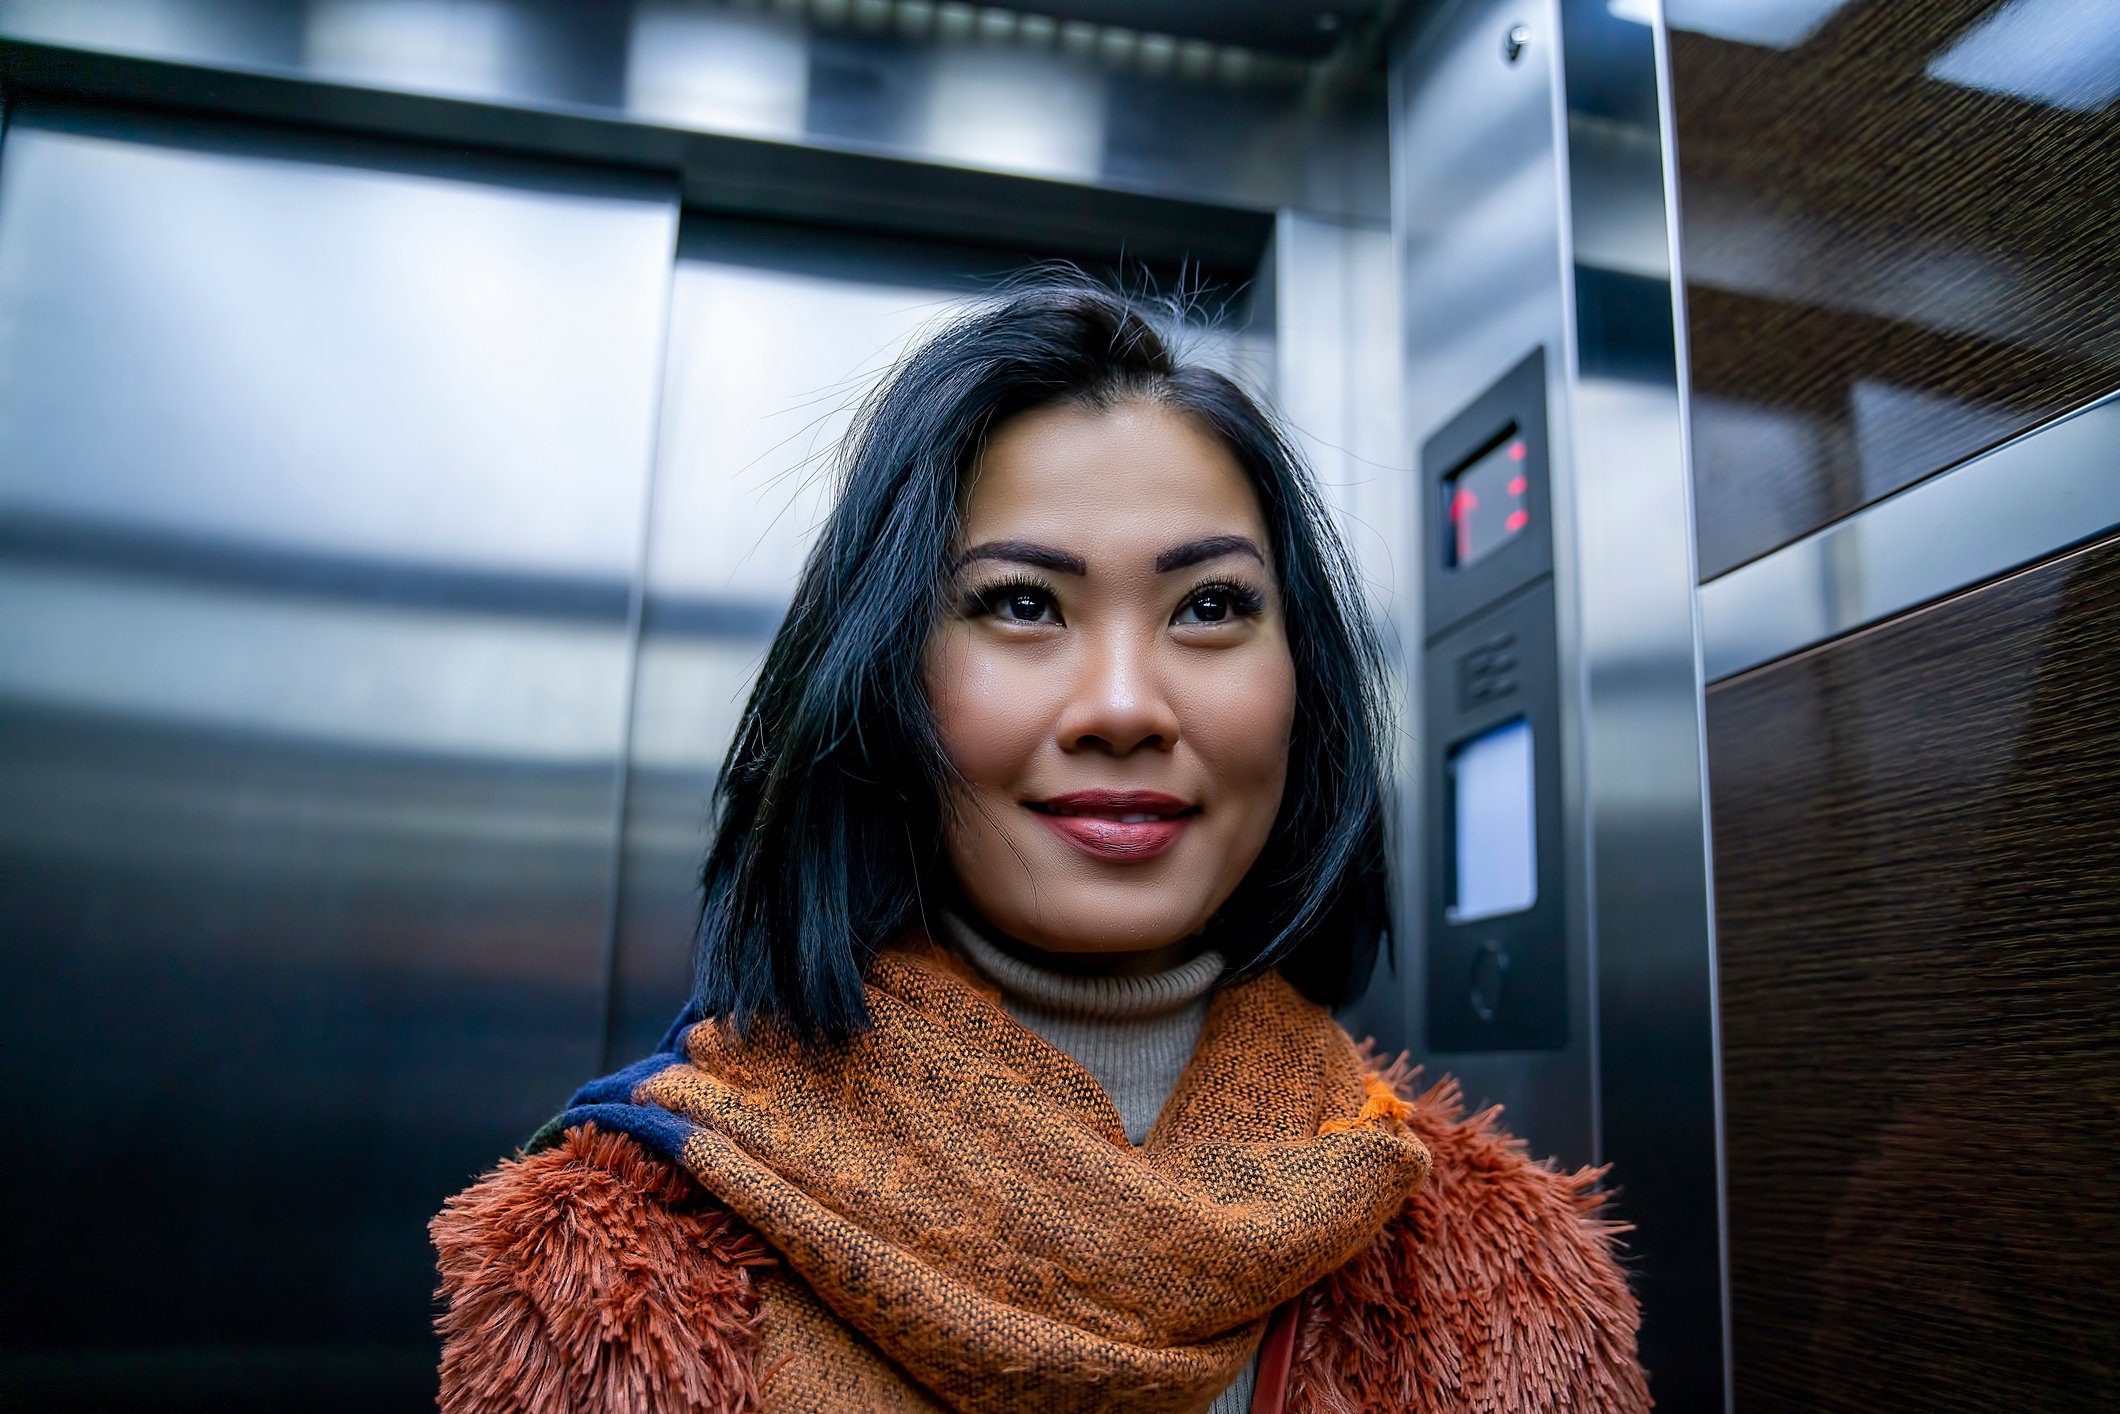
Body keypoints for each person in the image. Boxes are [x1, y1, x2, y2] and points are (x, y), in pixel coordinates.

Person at [430, 279, 1649, 1413]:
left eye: (1210, 605)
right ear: (885, 675)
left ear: (1303, 686)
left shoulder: (1497, 1273)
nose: (1123, 704)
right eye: (1020, 602)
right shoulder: (615, 1258)